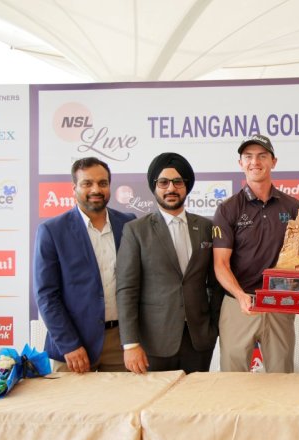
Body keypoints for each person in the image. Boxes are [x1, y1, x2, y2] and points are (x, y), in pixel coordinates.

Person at [116, 152, 223, 374]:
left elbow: (215, 284)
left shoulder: (206, 227)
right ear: (154, 186)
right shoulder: (136, 230)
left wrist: (213, 328)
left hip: (199, 340)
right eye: (163, 182)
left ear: (187, 186)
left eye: (178, 182)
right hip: (154, 342)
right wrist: (130, 344)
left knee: (196, 396)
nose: (171, 188)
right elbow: (127, 290)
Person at [34, 157, 135, 372]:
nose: (96, 189)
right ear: (74, 188)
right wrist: (70, 344)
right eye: (87, 183)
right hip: (74, 346)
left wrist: (133, 341)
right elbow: (46, 295)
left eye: (102, 183)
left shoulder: (129, 224)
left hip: (121, 343)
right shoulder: (52, 231)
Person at [213, 134, 299, 372]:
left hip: (279, 304)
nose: (255, 162)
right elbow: (221, 264)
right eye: (248, 156)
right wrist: (240, 295)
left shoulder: (294, 207)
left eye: (262, 156)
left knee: (282, 376)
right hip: (238, 303)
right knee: (232, 378)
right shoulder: (227, 208)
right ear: (240, 163)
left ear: (274, 162)